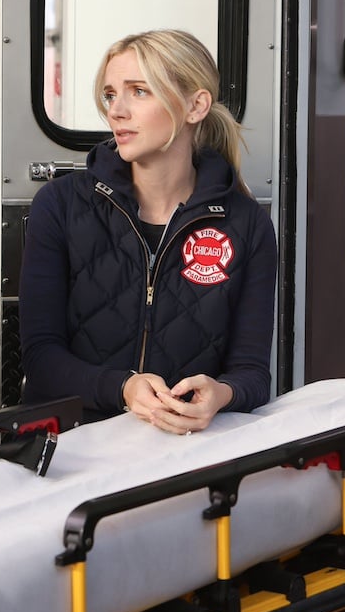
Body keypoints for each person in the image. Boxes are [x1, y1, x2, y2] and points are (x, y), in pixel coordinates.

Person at [19, 29, 278, 433]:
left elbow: (252, 374)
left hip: (180, 451)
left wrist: (220, 394)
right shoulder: (61, 205)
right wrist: (122, 388)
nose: (116, 111)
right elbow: (40, 357)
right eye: (109, 95)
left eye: (139, 91)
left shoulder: (246, 224)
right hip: (72, 445)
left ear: (196, 106)